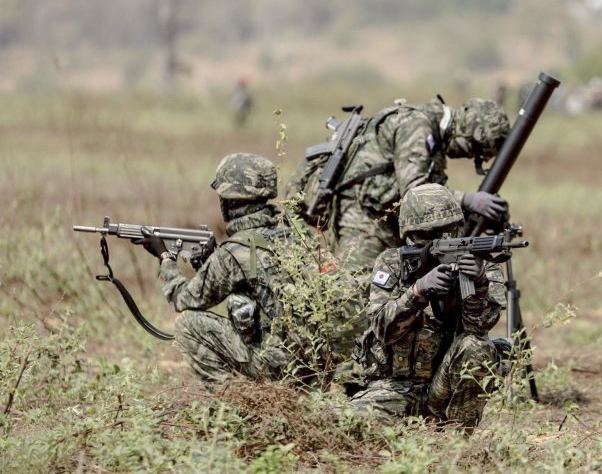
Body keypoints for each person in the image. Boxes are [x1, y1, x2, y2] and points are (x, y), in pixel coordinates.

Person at [133, 153, 302, 388]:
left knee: (187, 325)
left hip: (276, 368)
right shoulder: (295, 235)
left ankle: (238, 400)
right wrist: (210, 263)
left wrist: (165, 258)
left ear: (228, 201)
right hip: (311, 366)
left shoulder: (235, 251)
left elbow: (183, 298)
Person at [350, 184, 506, 431]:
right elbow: (382, 330)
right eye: (426, 234)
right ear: (409, 235)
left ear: (456, 228)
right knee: (343, 424)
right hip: (394, 387)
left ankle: (456, 439)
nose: (437, 241)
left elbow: (479, 328)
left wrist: (478, 284)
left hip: (443, 386)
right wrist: (417, 292)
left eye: (446, 232)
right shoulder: (391, 263)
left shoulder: (481, 264)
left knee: (477, 347)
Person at [325, 97, 511, 273]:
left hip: (386, 223)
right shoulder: (418, 125)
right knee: (359, 291)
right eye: (473, 149)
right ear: (471, 129)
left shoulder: (433, 139)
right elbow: (414, 191)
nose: (469, 156)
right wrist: (469, 200)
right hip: (364, 222)